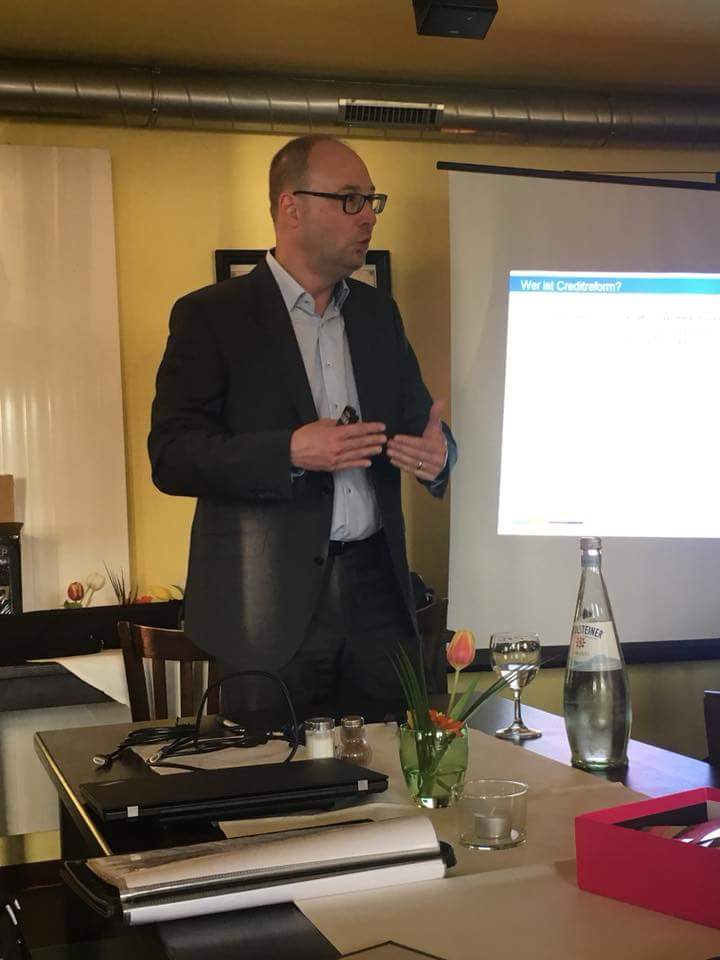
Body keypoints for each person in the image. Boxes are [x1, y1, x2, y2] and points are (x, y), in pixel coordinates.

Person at [148, 134, 457, 722]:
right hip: (265, 605)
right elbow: (171, 456)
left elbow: (424, 427)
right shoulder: (211, 316)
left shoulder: (377, 314)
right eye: (350, 199)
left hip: (377, 601)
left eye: (372, 201)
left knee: (386, 769)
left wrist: (439, 460)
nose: (368, 217)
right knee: (271, 773)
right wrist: (289, 450)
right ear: (291, 207)